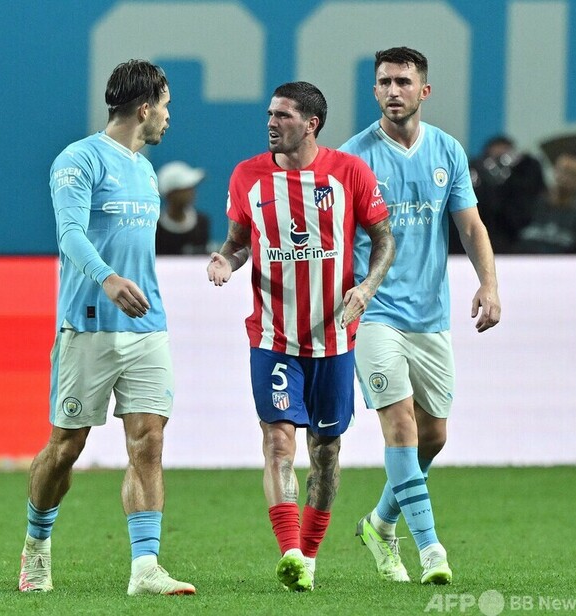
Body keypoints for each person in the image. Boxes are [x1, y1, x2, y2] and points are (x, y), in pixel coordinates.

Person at [207, 81, 395, 591]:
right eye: (270, 114)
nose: (271, 123)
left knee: (326, 450)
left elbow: (384, 239)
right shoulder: (247, 176)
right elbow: (237, 241)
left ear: (311, 124)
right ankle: (290, 549)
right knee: (277, 441)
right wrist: (225, 260)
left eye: (283, 115)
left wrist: (367, 287)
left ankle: (308, 556)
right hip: (273, 337)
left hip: (334, 339)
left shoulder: (349, 173)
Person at [18, 59, 195, 597]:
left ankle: (145, 567)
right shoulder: (78, 160)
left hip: (146, 326)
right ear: (144, 108)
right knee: (66, 447)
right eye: (165, 105)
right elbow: (70, 234)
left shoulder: (145, 170)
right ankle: (36, 546)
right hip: (88, 325)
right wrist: (108, 279)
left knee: (149, 441)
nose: (168, 116)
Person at [340, 46, 501, 585]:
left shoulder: (447, 151)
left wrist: (489, 283)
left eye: (403, 82)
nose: (393, 90)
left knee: (433, 435)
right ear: (374, 90)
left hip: (430, 314)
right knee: (401, 426)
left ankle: (379, 523)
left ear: (424, 91)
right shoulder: (354, 158)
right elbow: (334, 237)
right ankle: (431, 550)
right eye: (384, 82)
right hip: (374, 312)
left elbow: (470, 226)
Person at [454, 135, 545, 254]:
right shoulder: (473, 171)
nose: (501, 157)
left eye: (505, 153)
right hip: (474, 234)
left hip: (512, 237)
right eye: (496, 156)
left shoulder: (525, 169)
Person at [512, 152, 576, 253]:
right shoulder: (530, 204)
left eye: (571, 173)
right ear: (554, 171)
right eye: (563, 171)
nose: (565, 178)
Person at [155, 160, 210, 255]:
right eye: (185, 188)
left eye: (192, 187)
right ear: (171, 194)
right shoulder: (154, 227)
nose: (192, 192)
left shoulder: (202, 222)